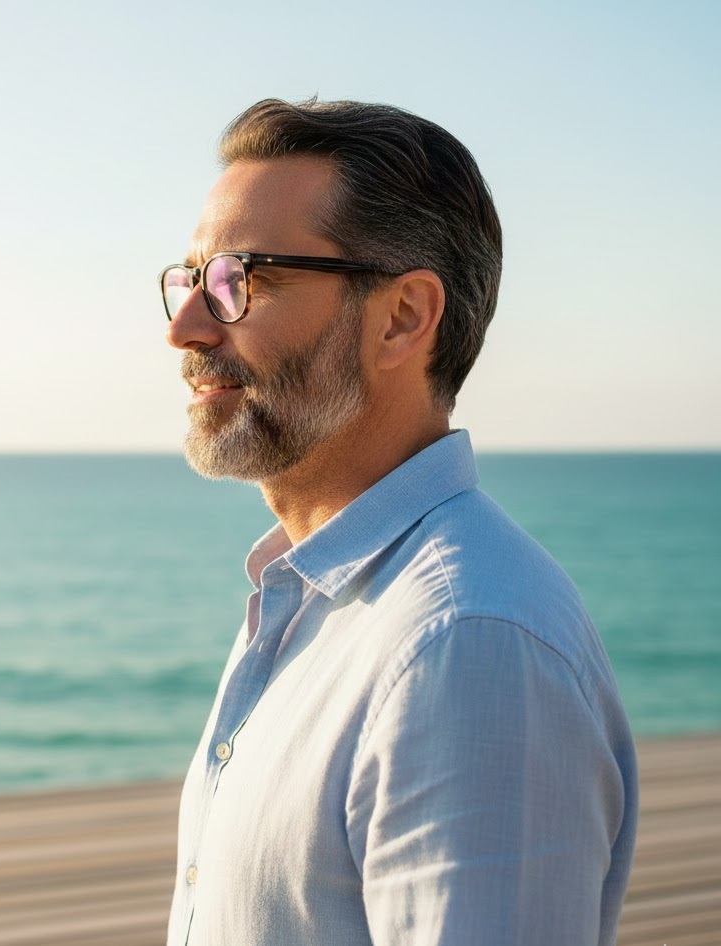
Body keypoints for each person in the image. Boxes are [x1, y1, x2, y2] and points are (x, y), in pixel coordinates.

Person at [158, 98, 638, 946]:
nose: (185, 327)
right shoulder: (307, 594)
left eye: (241, 279)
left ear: (404, 317)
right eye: (192, 279)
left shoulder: (467, 644)